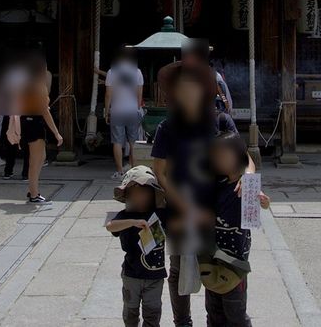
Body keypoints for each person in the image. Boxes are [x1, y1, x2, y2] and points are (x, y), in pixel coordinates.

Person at [151, 64, 249, 326]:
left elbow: (244, 157)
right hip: (182, 207)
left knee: (223, 265)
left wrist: (248, 176)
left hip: (220, 207)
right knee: (179, 269)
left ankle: (218, 319)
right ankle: (183, 322)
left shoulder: (220, 120)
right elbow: (159, 171)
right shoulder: (167, 127)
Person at [203, 132, 270, 326]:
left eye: (224, 156)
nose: (219, 161)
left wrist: (263, 201)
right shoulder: (217, 183)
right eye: (217, 157)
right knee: (213, 309)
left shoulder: (246, 185)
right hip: (213, 256)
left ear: (238, 156)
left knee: (236, 311)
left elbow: (263, 202)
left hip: (235, 263)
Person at [105, 166, 169, 327]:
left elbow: (177, 222)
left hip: (155, 275)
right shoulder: (125, 215)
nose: (141, 198)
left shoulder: (160, 214)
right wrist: (133, 223)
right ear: (127, 195)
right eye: (136, 193)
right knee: (130, 312)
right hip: (131, 274)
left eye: (145, 193)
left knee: (153, 312)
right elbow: (110, 226)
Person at [8, 54, 63, 203]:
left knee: (40, 157)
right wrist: (57, 133)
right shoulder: (39, 85)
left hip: (26, 121)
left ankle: (33, 190)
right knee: (36, 160)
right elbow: (45, 111)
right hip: (35, 123)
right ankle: (33, 193)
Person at [105, 47, 145, 179]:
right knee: (133, 142)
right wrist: (138, 108)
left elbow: (108, 95)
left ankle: (120, 171)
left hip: (117, 110)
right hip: (133, 110)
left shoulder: (112, 72)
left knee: (117, 142)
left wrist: (107, 111)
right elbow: (139, 94)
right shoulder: (137, 72)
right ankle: (134, 172)